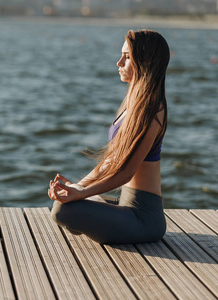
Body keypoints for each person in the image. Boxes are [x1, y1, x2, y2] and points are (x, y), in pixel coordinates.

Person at [48, 29, 170, 244]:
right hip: (125, 205)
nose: (119, 62)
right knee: (68, 200)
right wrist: (79, 187)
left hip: (144, 219)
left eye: (128, 56)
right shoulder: (133, 102)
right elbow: (112, 160)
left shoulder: (152, 110)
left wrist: (80, 195)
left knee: (63, 211)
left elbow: (125, 173)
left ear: (145, 61)